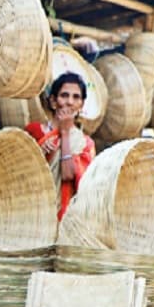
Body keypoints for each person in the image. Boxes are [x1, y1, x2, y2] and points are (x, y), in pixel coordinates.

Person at [25, 72, 96, 219]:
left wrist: (64, 133)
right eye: (64, 95)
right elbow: (21, 173)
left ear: (81, 105)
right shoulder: (35, 131)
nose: (70, 102)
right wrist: (39, 153)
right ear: (53, 101)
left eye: (76, 97)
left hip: (64, 218)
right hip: (33, 212)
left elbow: (68, 174)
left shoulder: (85, 144)